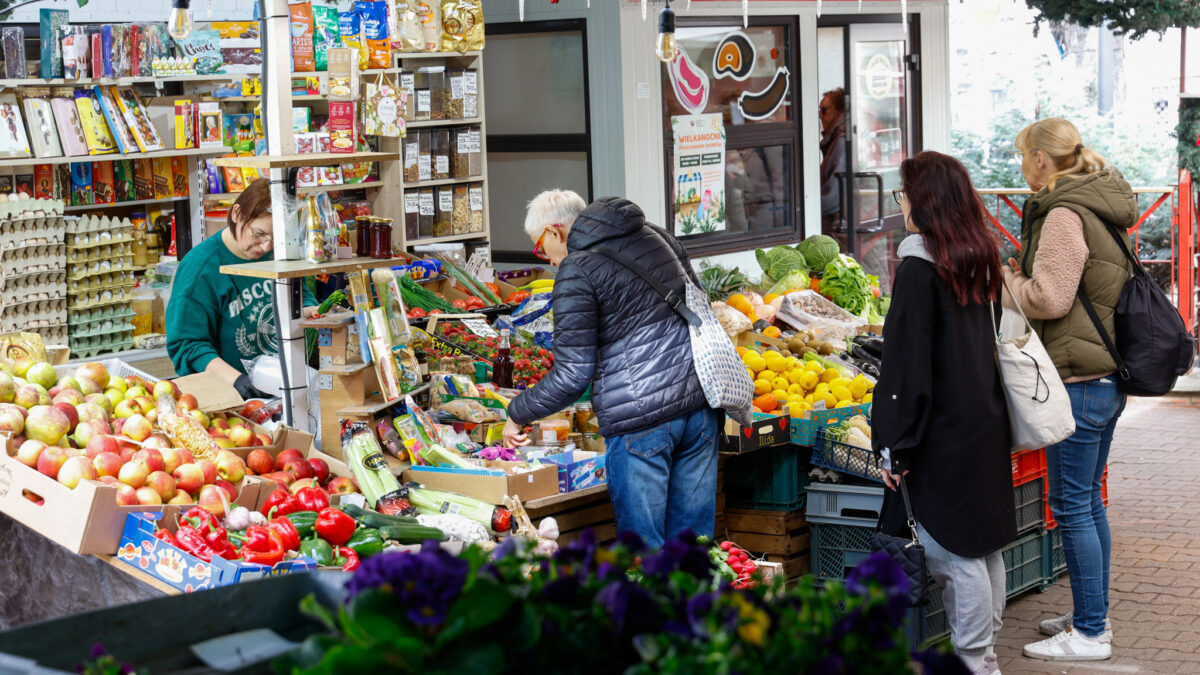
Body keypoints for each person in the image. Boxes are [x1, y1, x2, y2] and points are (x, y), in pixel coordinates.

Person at [501, 190, 720, 549]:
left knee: (644, 554)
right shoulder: (655, 234)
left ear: (556, 232)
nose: (548, 261)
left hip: (642, 419)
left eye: (541, 248)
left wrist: (517, 413)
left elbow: (573, 374)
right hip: (700, 403)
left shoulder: (577, 268)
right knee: (693, 548)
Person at [873, 151, 1014, 675]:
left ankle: (977, 663)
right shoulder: (977, 256)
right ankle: (985, 655)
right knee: (982, 542)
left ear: (924, 200)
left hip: (939, 433)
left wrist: (894, 444)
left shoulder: (918, 267)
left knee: (951, 553)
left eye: (903, 194)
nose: (901, 203)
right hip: (982, 419)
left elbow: (906, 369)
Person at [1008, 118, 1136, 663]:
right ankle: (1092, 614)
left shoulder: (1063, 212)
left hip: (1079, 381)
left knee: (1072, 505)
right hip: (1102, 376)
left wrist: (1005, 280)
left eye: (1022, 156)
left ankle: (1088, 634)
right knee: (1087, 503)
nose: (1019, 166)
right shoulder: (1095, 202)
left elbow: (1052, 299)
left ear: (1041, 158)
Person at [166, 178, 317, 398]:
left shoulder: (277, 253)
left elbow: (300, 292)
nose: (265, 247)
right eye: (258, 234)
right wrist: (237, 381)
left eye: (275, 239)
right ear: (236, 214)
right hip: (227, 395)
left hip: (283, 384)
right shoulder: (200, 269)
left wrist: (309, 311)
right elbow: (187, 345)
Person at [819, 87, 847, 236]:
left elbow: (832, 198)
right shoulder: (836, 140)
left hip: (839, 227)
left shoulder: (841, 142)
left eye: (824, 110)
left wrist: (805, 208)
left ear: (840, 111)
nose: (820, 116)